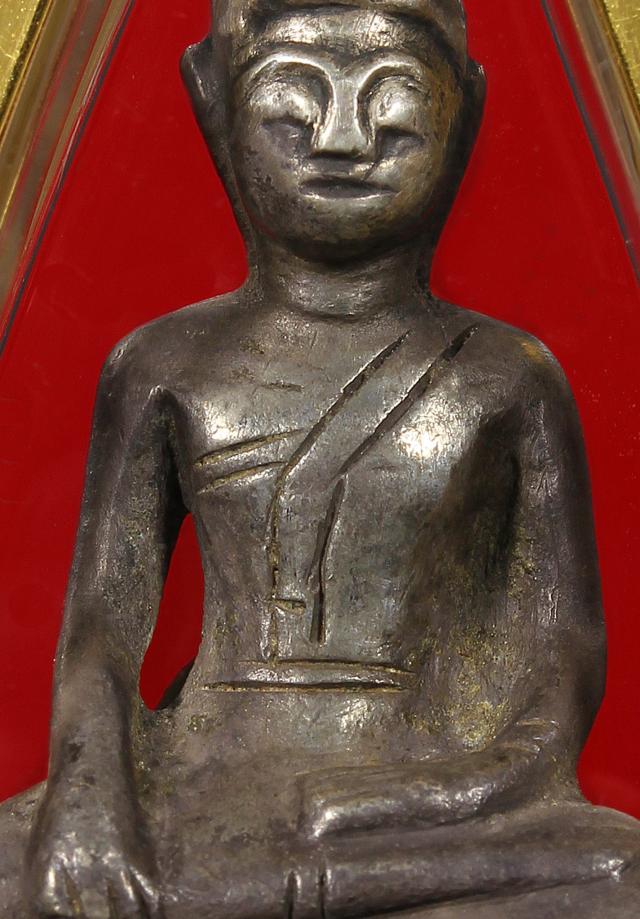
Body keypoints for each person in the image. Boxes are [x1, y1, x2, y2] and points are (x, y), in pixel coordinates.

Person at [1, 1, 639, 916]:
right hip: (199, 772)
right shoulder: (162, 365)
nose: (343, 139)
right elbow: (101, 629)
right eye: (295, 90)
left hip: (420, 794)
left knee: (621, 871)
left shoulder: (508, 377)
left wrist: (459, 786)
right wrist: (90, 799)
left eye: (391, 94)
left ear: (463, 110)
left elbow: (563, 650)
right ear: (215, 103)